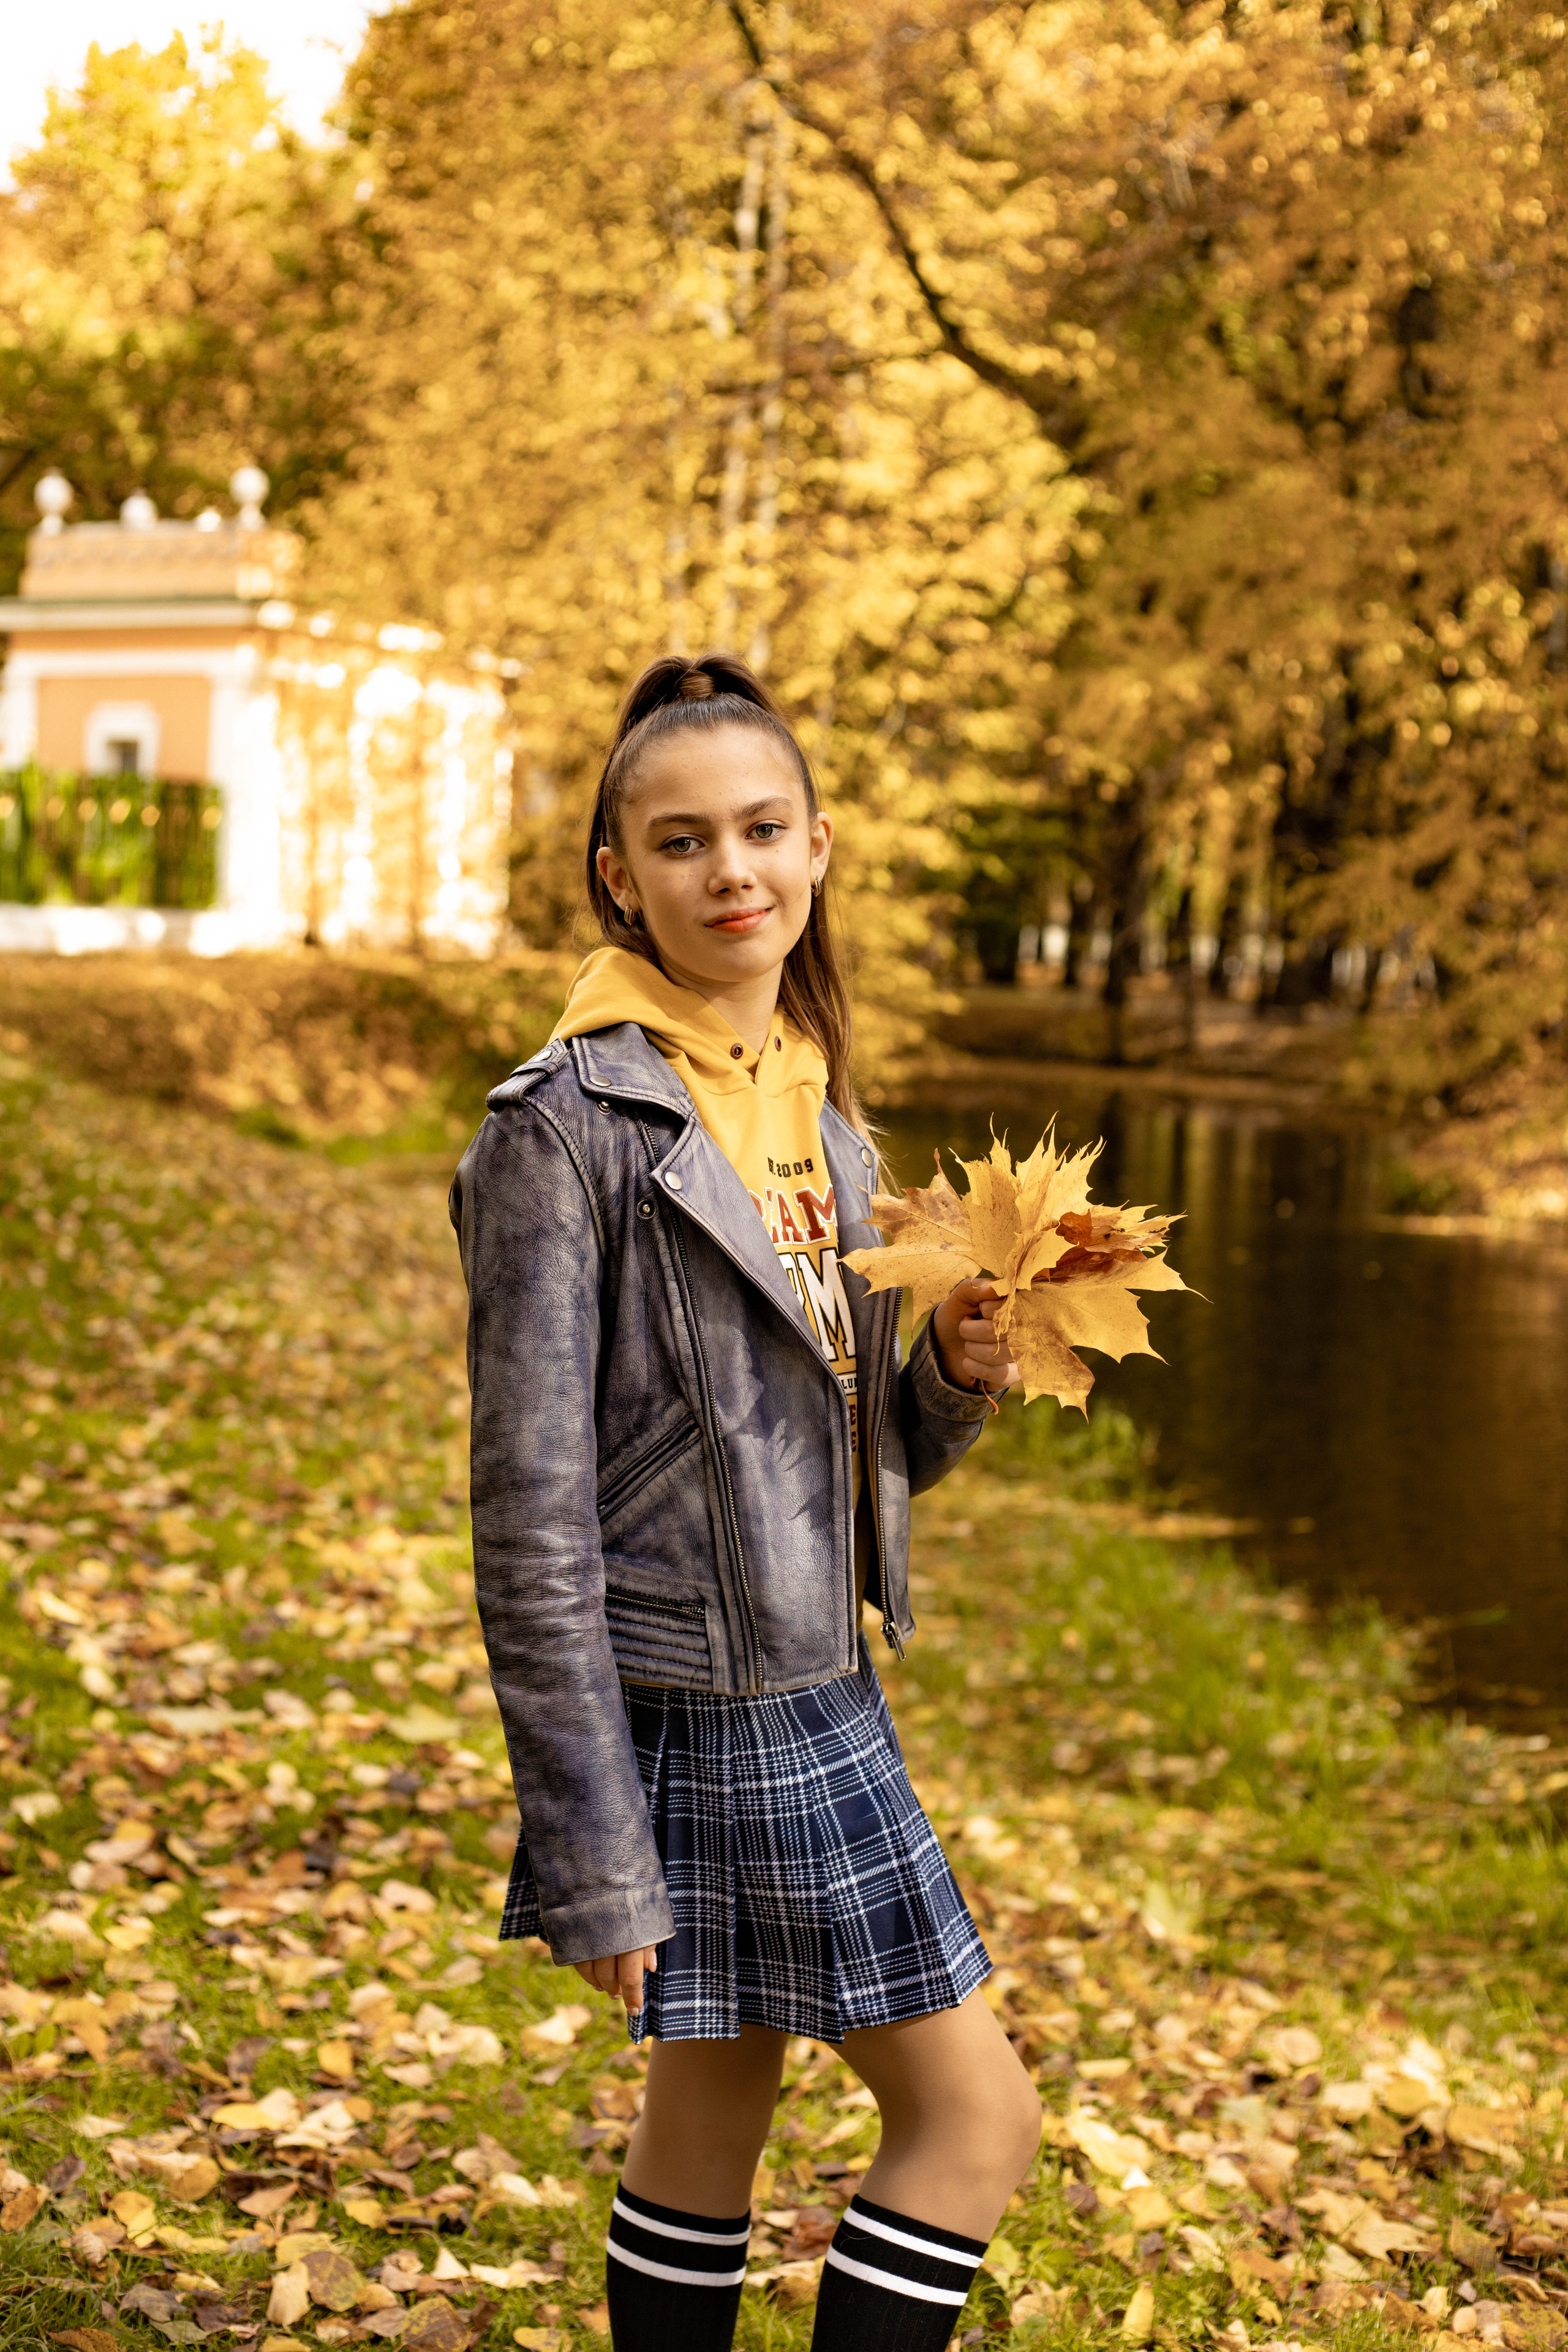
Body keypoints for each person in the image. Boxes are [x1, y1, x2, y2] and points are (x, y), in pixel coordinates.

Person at [450, 652, 1042, 2352]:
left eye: (765, 830)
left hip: (815, 1665)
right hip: (726, 1708)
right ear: (617, 875)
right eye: (684, 840)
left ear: (819, 847)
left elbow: (855, 1461)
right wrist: (590, 1847)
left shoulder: (818, 1114)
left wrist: (952, 1376)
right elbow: (530, 1527)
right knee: (978, 2121)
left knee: (712, 2102)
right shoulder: (562, 1133)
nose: (734, 872)